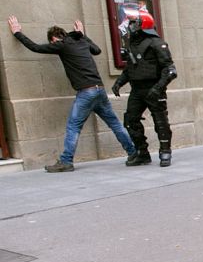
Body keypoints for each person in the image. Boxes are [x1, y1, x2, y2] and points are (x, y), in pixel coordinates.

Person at [7, 16, 136, 172]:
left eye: (52, 42)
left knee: (73, 126)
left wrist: (17, 33)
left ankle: (66, 161)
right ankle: (133, 152)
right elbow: (97, 50)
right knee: (114, 124)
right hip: (99, 90)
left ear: (55, 39)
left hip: (86, 92)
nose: (53, 45)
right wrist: (82, 34)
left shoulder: (61, 45)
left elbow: (35, 47)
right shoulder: (81, 41)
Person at [111, 9, 177, 167]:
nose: (131, 25)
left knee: (160, 122)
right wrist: (119, 82)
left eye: (134, 22)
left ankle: (165, 151)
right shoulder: (133, 43)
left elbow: (170, 70)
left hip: (153, 87)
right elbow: (130, 68)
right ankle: (142, 152)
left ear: (143, 24)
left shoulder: (156, 43)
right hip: (137, 90)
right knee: (130, 120)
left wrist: (158, 88)